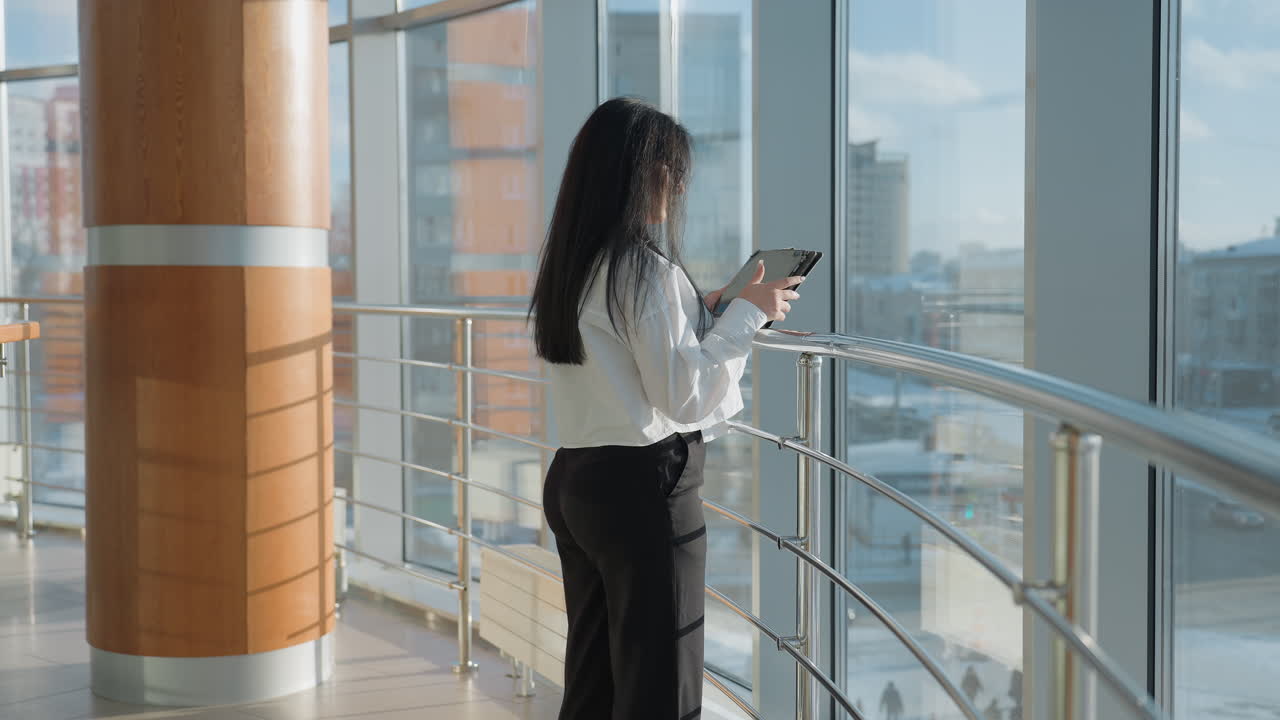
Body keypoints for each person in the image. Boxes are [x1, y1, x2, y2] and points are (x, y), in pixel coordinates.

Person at [530, 97, 803, 720]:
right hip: (641, 489)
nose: (677, 186)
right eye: (670, 169)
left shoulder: (578, 263)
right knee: (661, 684)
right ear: (638, 173)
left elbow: (630, 353)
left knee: (595, 677)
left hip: (576, 479)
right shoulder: (644, 271)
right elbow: (685, 397)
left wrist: (695, 312)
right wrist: (749, 314)